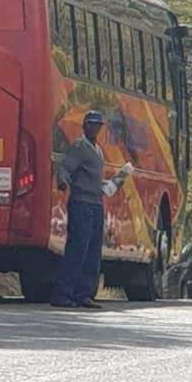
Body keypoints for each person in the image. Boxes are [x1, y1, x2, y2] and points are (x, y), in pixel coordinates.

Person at [51, 110, 110, 309]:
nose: (95, 127)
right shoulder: (79, 146)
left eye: (98, 124)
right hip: (82, 203)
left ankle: (84, 294)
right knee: (77, 249)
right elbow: (65, 168)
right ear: (85, 126)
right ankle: (63, 294)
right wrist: (63, 182)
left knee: (93, 252)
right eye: (92, 124)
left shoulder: (98, 150)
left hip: (96, 203)